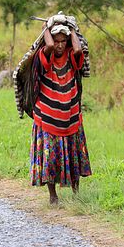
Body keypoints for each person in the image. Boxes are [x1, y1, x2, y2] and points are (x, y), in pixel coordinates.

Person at [29, 15, 92, 204]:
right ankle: (53, 196)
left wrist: (71, 28)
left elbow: (79, 48)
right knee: (50, 158)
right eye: (56, 41)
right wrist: (46, 28)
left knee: (74, 155)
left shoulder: (73, 56)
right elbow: (47, 46)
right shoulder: (44, 56)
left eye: (63, 41)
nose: (59, 45)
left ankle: (76, 193)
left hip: (71, 115)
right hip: (48, 117)